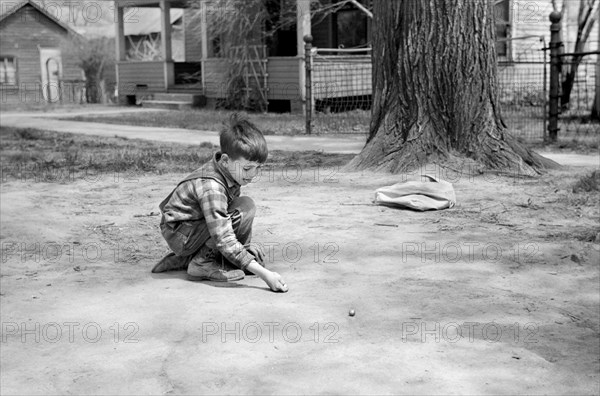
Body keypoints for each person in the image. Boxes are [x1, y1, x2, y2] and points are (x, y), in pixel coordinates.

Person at [152, 114, 288, 293]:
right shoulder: (213, 187)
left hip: (194, 227)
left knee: (245, 205)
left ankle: (196, 258)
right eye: (248, 168)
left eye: (258, 168)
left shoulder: (230, 170)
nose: (253, 174)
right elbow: (222, 234)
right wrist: (264, 274)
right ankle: (201, 263)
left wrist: (245, 251)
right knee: (243, 209)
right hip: (181, 234)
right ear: (225, 160)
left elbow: (225, 214)